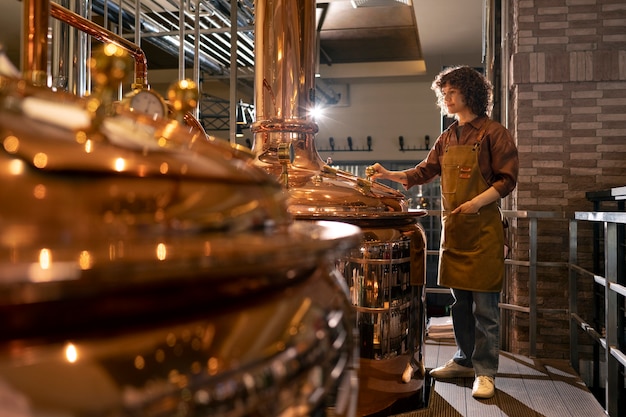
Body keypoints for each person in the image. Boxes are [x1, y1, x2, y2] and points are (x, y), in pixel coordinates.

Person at [368, 65, 518, 399]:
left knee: (485, 308)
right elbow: (424, 171)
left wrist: (476, 203)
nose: (446, 98)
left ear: (470, 92)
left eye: (452, 92)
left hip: (483, 230)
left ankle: (486, 372)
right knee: (459, 303)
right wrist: (388, 174)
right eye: (444, 93)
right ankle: (464, 360)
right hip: (456, 230)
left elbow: (507, 179)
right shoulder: (448, 136)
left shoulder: (494, 132)